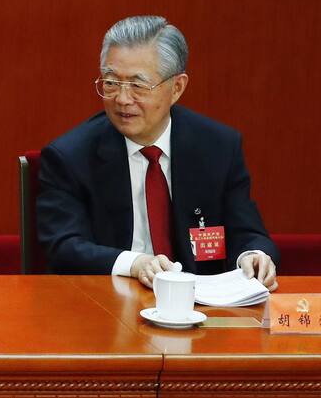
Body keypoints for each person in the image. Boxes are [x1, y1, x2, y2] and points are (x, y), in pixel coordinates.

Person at [36, 15, 278, 290]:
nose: (123, 99)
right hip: (107, 306)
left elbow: (247, 232)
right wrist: (134, 263)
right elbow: (63, 247)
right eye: (111, 83)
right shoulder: (69, 157)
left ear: (177, 87)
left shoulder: (218, 147)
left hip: (201, 307)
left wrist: (254, 256)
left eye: (138, 86)